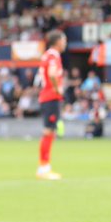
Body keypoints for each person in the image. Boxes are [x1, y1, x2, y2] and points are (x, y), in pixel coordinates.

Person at [37, 31, 67, 180]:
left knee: (50, 131)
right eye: (63, 40)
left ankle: (44, 166)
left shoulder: (47, 55)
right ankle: (44, 168)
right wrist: (57, 89)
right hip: (50, 97)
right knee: (48, 131)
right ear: (57, 41)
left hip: (47, 97)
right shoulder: (53, 56)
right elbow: (52, 73)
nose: (65, 43)